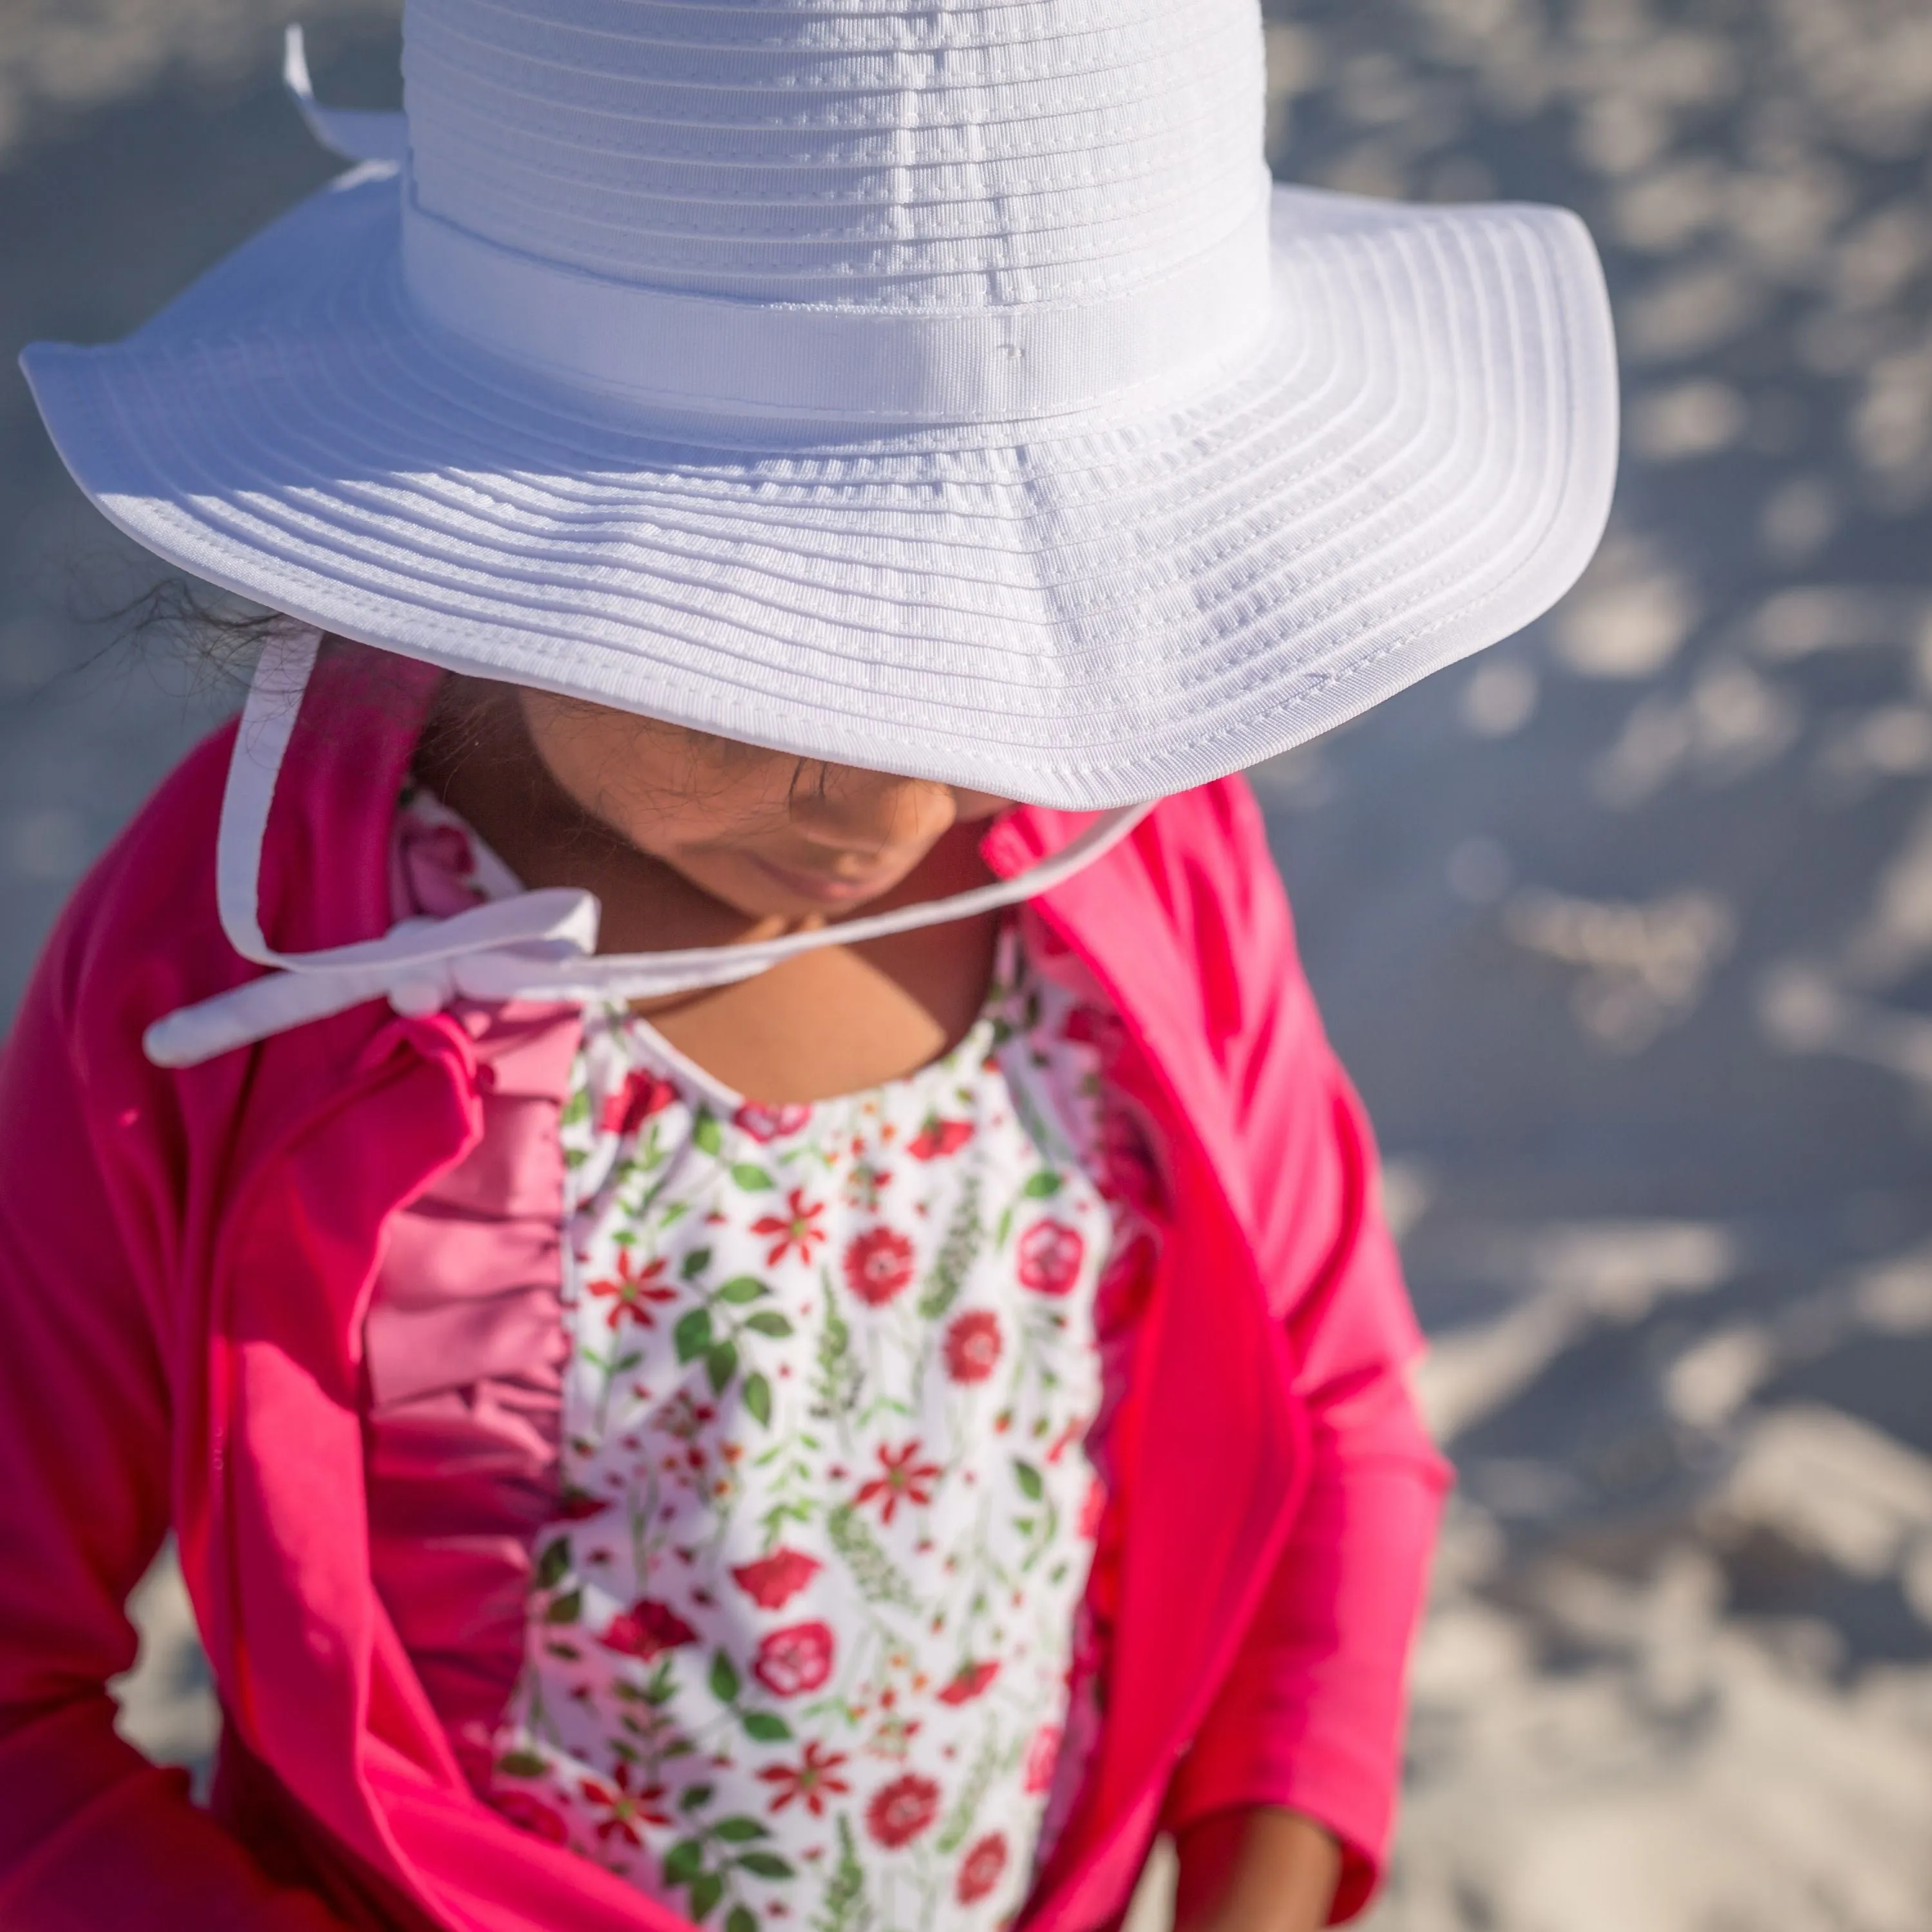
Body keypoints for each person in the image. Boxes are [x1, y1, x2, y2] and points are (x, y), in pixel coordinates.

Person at [0, 0, 1616, 1927]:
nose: (896, 808)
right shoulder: (242, 956)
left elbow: (1339, 1410)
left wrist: (1258, 1871)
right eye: (790, 662)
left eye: (1005, 666)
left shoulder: (1140, 852)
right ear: (495, 535)